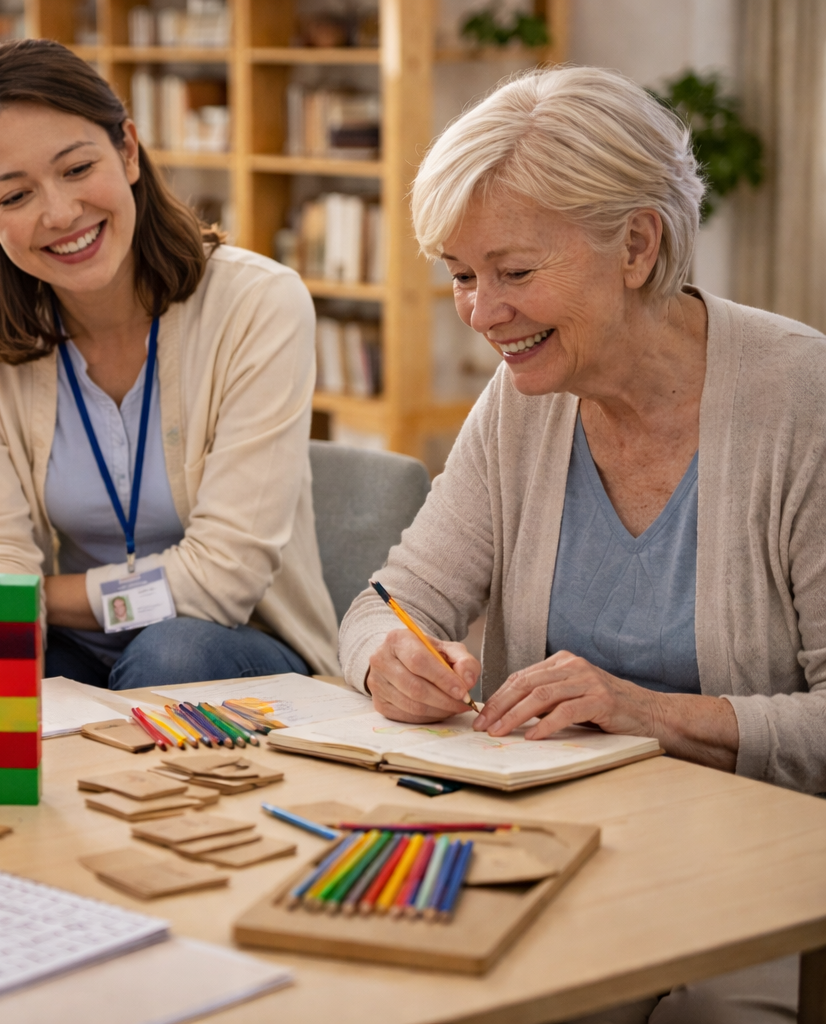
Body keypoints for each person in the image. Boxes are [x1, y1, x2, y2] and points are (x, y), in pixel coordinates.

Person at [338, 67, 822, 1022]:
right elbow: (384, 607)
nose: (480, 313)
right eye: (463, 277)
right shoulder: (519, 409)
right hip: (550, 851)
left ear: (637, 244)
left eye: (514, 273)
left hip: (755, 872)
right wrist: (387, 664)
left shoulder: (803, 403)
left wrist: (649, 712)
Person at [0, 39, 340, 691]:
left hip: (228, 643)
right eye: (14, 196)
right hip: (64, 646)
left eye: (76, 168)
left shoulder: (257, 302)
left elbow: (220, 581)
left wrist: (34, 597)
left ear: (127, 150)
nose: (60, 214)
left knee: (168, 658)